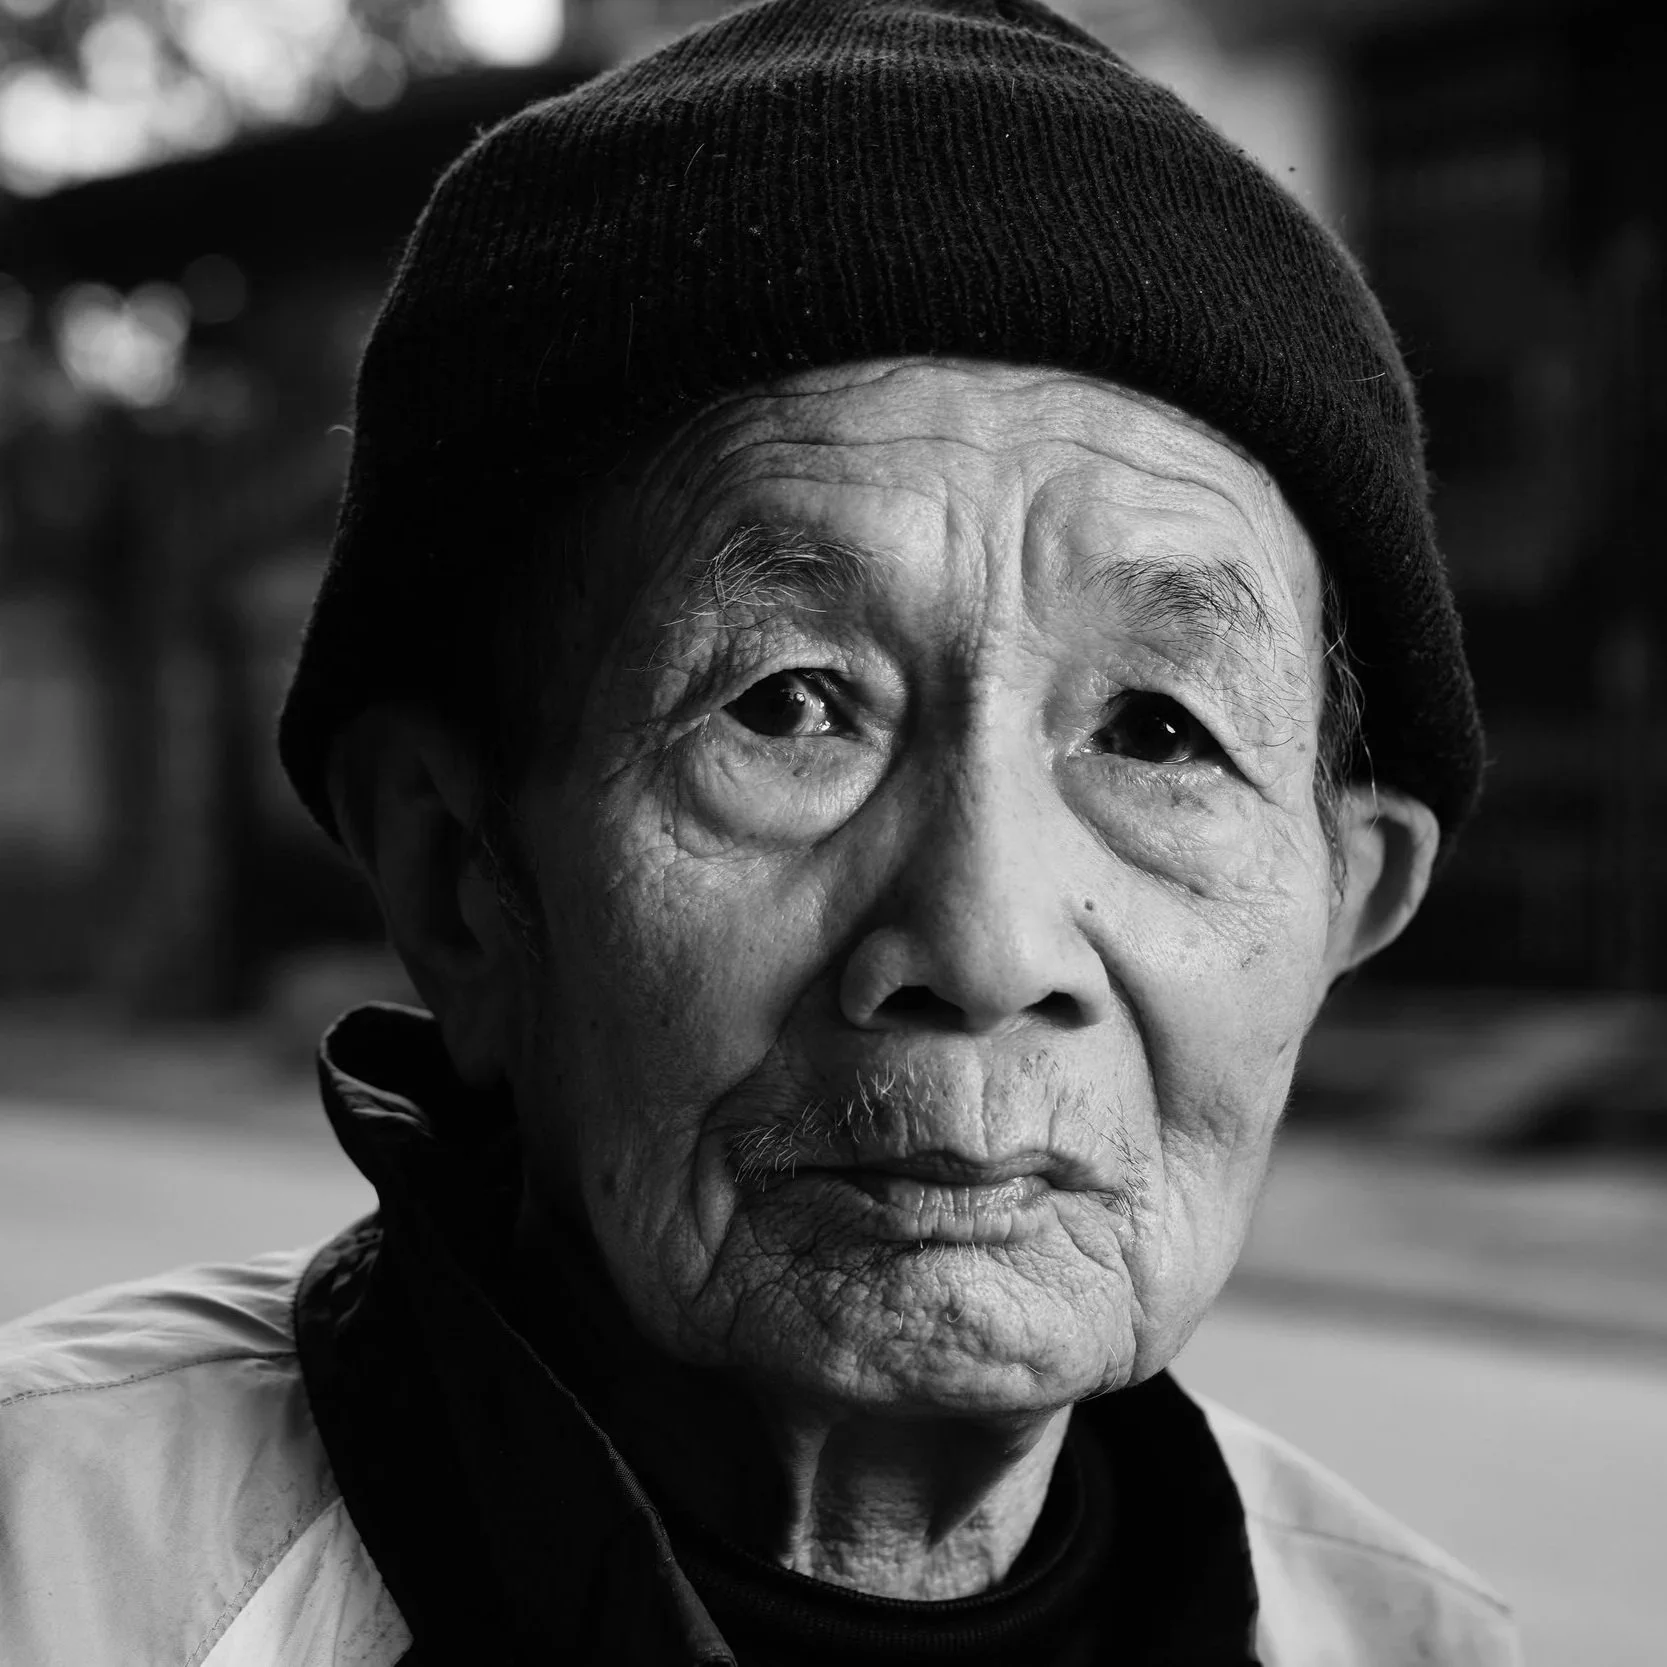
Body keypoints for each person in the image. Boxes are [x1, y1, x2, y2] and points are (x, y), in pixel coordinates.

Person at [0, 2, 1522, 1662]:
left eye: (1158, 731)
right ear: (458, 881)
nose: (987, 942)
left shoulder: (1418, 1642)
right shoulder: (55, 1569)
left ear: (1339, 911)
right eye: (787, 705)